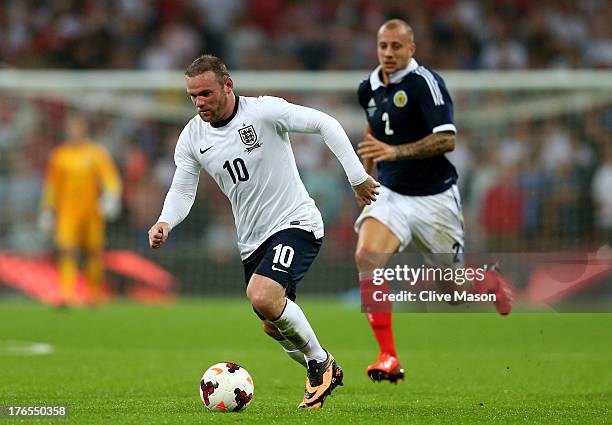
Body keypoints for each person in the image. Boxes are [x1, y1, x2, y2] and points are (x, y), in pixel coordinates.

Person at [148, 55, 379, 408]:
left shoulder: (264, 112)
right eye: (192, 96)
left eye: (206, 93)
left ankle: (321, 365)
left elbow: (326, 123)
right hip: (252, 242)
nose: (199, 103)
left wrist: (357, 177)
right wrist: (165, 221)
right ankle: (321, 365)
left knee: (262, 295)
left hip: (296, 223)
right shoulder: (192, 136)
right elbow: (182, 189)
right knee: (273, 323)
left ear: (228, 86)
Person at [353, 19, 513, 384]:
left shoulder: (426, 83)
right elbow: (371, 131)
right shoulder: (369, 87)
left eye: (397, 46)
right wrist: (365, 178)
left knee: (453, 292)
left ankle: (486, 281)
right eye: (383, 47)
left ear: (412, 48)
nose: (389, 53)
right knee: (367, 257)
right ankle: (388, 356)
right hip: (391, 193)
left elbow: (446, 139)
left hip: (435, 198)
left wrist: (394, 152)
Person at [40, 113, 122, 305]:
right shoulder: (59, 156)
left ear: (84, 129)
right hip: (67, 214)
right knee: (66, 251)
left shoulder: (96, 154)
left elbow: (111, 178)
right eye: (71, 128)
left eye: (77, 128)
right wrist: (47, 209)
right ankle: (66, 294)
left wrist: (111, 198)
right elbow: (52, 185)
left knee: (93, 253)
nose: (74, 132)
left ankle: (93, 294)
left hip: (92, 214)